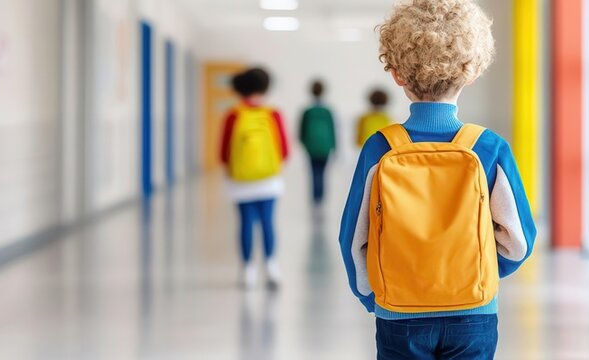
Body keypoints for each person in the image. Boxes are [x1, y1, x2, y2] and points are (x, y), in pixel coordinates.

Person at [338, 1, 536, 359]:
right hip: (473, 310)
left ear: (397, 74)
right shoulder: (488, 147)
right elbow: (518, 241)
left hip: (399, 310)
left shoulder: (380, 147)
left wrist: (373, 295)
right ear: (472, 71)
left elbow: (354, 239)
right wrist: (479, 274)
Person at [219, 67, 289, 289]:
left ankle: (247, 271)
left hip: (241, 181)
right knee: (268, 222)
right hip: (269, 180)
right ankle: (271, 267)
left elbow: (223, 153)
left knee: (246, 223)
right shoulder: (273, 114)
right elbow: (284, 150)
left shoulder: (233, 114)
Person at [299, 80, 337, 207]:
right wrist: (334, 146)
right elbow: (332, 129)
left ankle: (315, 199)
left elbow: (302, 130)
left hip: (311, 146)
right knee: (322, 173)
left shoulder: (307, 111)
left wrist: (304, 143)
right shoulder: (327, 111)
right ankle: (321, 199)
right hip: (325, 146)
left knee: (314, 172)